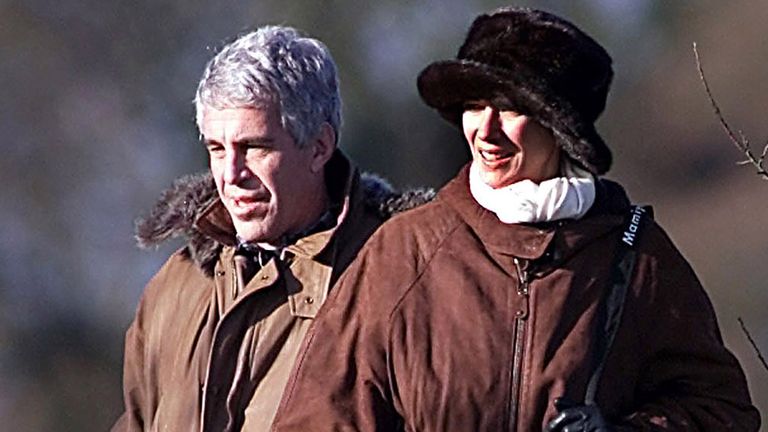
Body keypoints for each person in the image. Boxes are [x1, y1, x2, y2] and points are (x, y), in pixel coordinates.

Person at [271, 8, 761, 431]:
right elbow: (318, 417)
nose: (485, 130)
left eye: (508, 108)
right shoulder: (403, 253)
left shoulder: (639, 258)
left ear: (560, 124)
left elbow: (723, 411)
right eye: (472, 105)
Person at [112, 25, 429, 431]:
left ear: (319, 147)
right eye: (216, 149)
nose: (231, 174)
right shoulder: (175, 286)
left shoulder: (398, 283)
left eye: (254, 147)